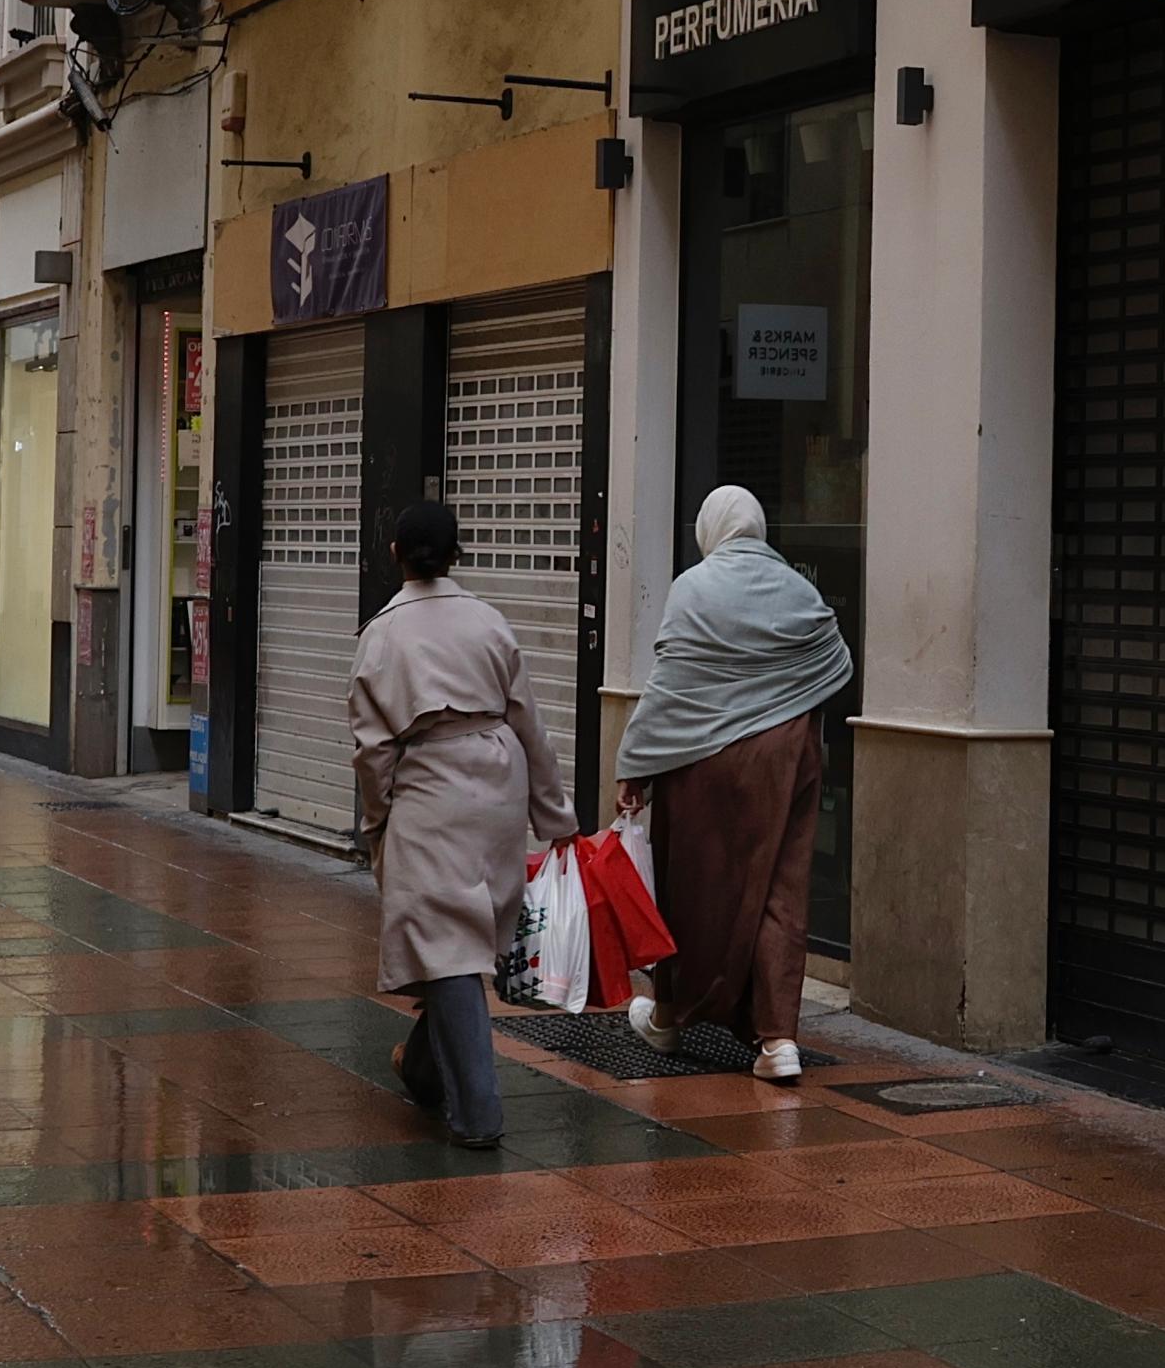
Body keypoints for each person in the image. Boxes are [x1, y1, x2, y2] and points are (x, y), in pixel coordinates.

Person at [347, 497, 573, 1151]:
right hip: (498, 785)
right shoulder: (490, 622)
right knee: (460, 944)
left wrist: (377, 816)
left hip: (428, 790)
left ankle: (478, 1114)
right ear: (457, 554)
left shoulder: (382, 634)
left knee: (446, 947)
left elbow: (372, 749)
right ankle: (422, 1069)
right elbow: (530, 722)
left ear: (395, 554)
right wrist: (555, 816)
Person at [613, 485, 849, 1083]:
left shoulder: (692, 587)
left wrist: (636, 764)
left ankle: (671, 1015)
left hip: (704, 758)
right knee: (780, 889)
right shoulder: (800, 590)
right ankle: (778, 1042)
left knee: (690, 881)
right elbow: (835, 664)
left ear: (711, 528)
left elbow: (671, 681)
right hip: (787, 755)